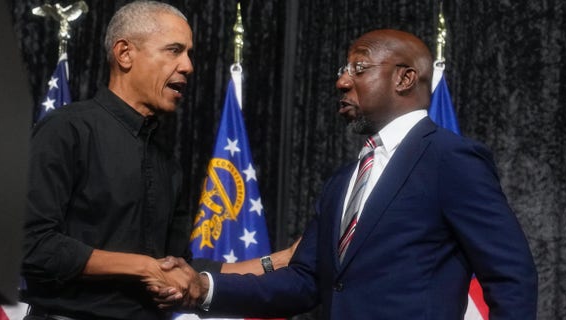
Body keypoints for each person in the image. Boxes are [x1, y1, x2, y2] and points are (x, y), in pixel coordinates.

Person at [154, 29, 538, 319]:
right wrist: (203, 288)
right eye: (343, 69)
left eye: (359, 68)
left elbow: (511, 276)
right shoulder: (343, 181)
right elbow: (304, 281)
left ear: (404, 79)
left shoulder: (450, 158)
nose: (341, 80)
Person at [21, 1, 295, 319]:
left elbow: (179, 267)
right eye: (174, 50)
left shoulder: (168, 163)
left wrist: (278, 261)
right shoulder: (66, 130)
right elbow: (31, 245)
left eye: (189, 54)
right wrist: (142, 267)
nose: (188, 66)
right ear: (125, 54)